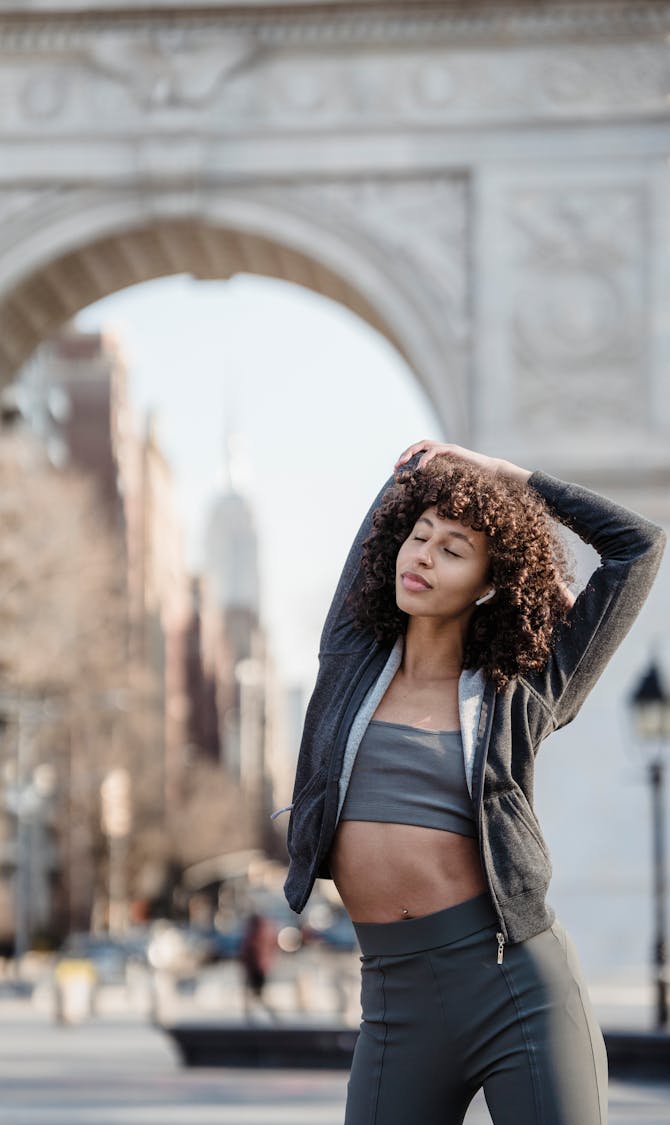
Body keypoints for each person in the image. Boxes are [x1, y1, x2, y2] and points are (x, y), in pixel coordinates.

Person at [276, 440, 666, 1125]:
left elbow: (639, 545)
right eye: (419, 536)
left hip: (516, 986)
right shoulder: (351, 654)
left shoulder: (524, 689)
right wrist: (434, 473)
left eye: (453, 549)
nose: (422, 555)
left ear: (490, 581)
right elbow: (403, 481)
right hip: (394, 1004)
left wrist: (509, 478)